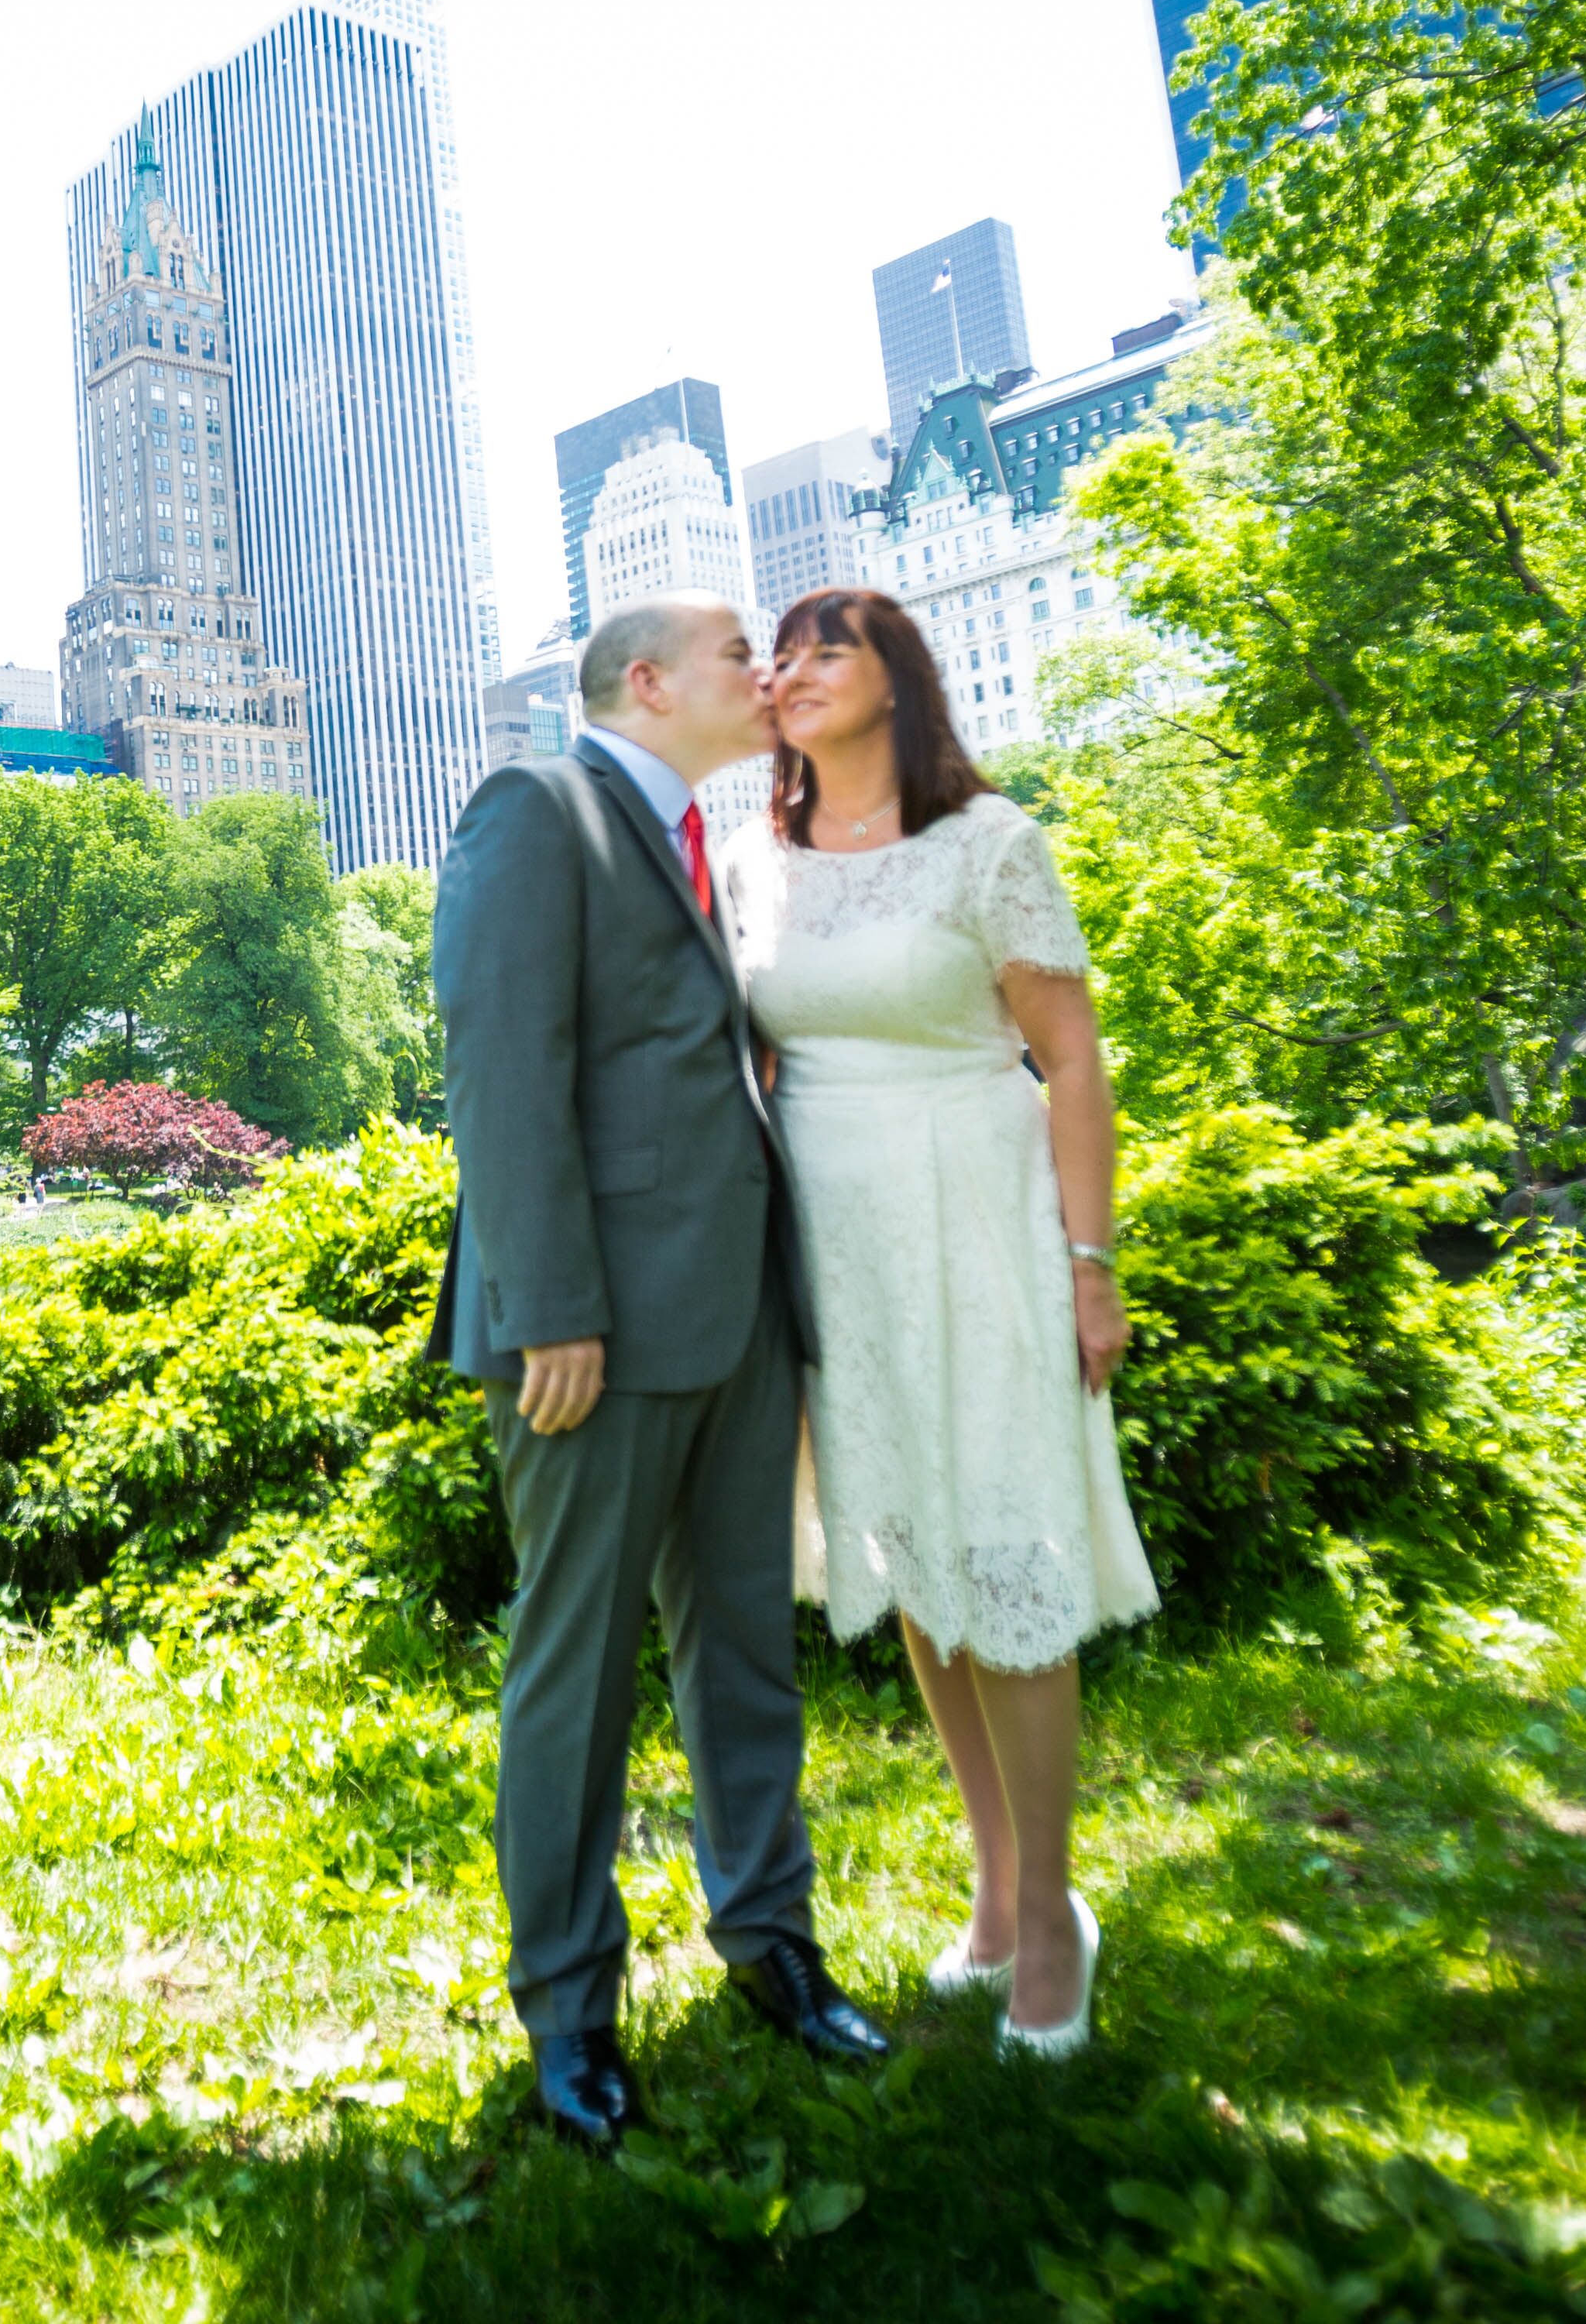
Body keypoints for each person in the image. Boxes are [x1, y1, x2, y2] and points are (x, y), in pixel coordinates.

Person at [431, 596, 891, 2152]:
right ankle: (572, 2015)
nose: (760, 678)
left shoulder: (705, 836)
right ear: (646, 681)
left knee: (746, 1655)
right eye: (728, 654)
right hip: (592, 1342)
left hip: (738, 1324)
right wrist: (552, 1302)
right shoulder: (537, 810)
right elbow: (500, 1070)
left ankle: (774, 1945)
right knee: (577, 1672)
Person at [725, 585, 1159, 2058]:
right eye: (776, 654)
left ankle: (1053, 1915)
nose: (789, 671)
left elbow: (1075, 1061)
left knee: (1009, 1552)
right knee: (912, 1556)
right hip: (832, 1252)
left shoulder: (992, 844)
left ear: (897, 678)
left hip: (978, 1224)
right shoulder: (756, 860)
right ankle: (991, 1878)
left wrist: (1089, 1259)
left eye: (823, 647)